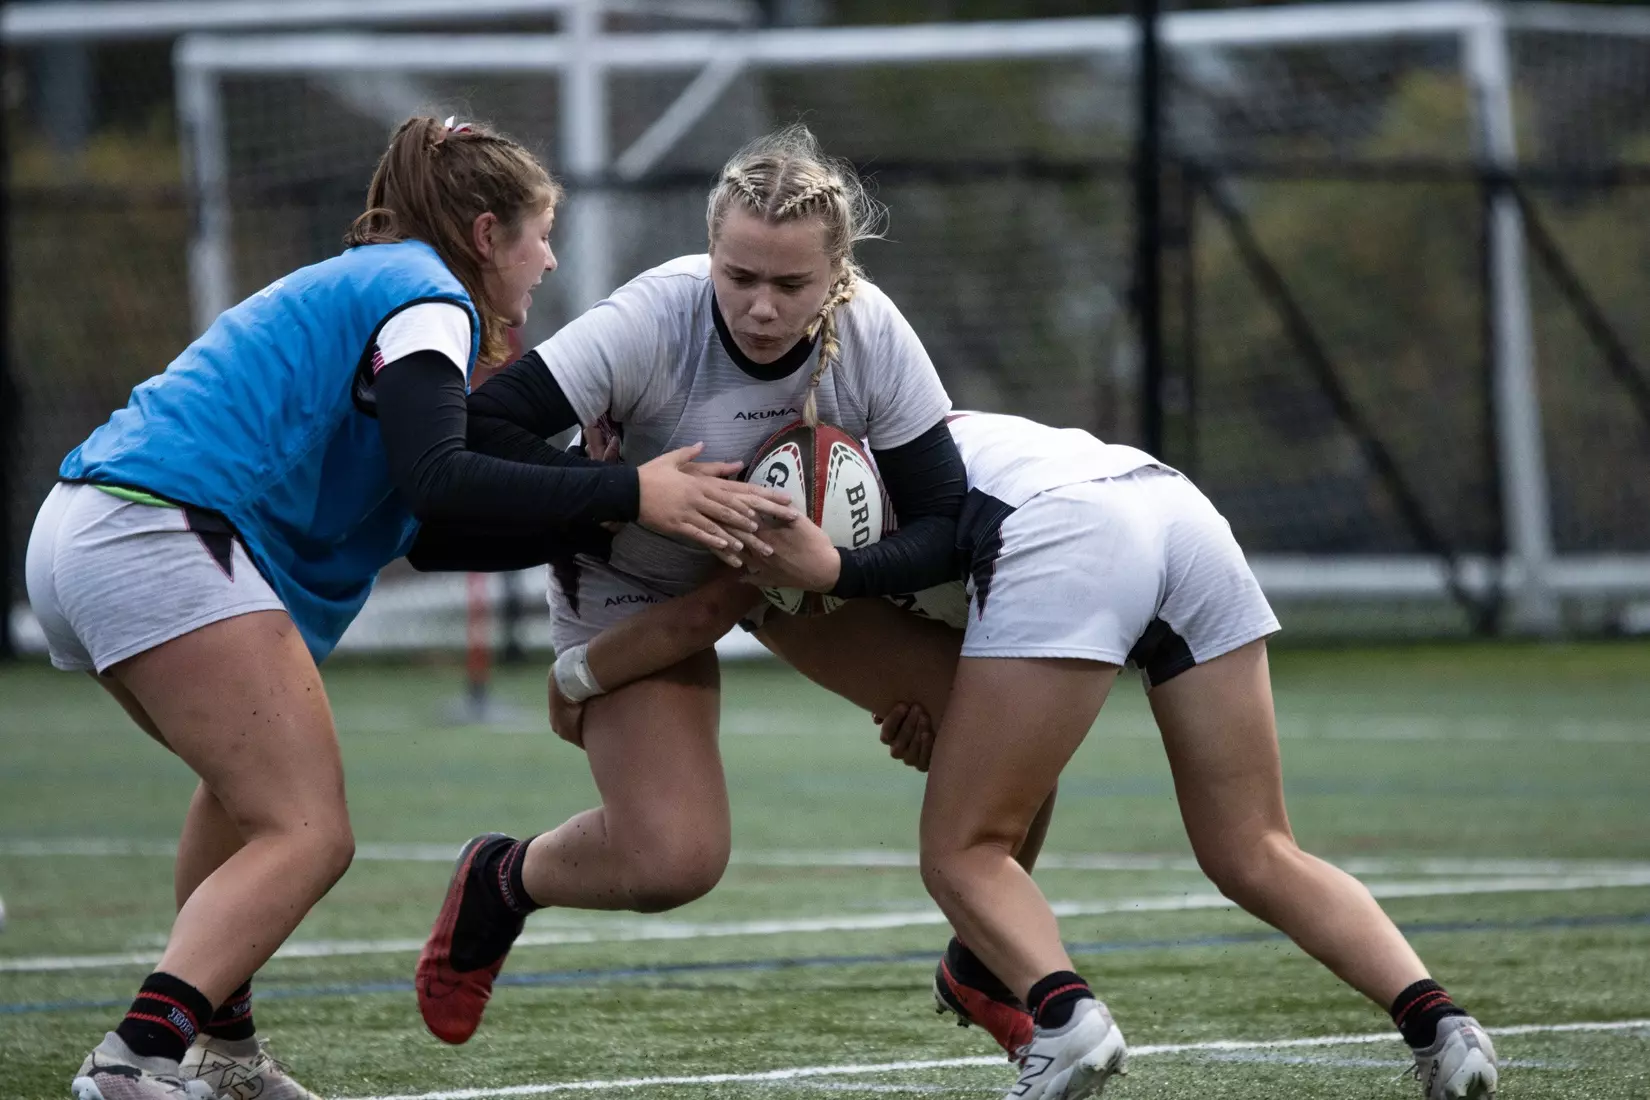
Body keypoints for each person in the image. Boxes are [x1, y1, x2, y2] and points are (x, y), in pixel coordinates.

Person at [27, 115, 790, 1100]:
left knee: (245, 799)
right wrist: (631, 493)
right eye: (539, 234)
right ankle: (138, 1053)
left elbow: (432, 530)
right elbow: (442, 477)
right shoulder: (426, 294)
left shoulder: (384, 297)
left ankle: (221, 1048)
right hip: (155, 529)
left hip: (89, 527)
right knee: (311, 830)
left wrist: (611, 520)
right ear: (485, 235)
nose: (549, 260)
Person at [539, 411, 1502, 1100]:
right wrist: (945, 717)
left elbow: (719, 607)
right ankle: (1441, 1027)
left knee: (962, 850)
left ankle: (1061, 1017)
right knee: (1256, 848)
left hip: (1074, 531)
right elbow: (956, 651)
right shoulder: (900, 432)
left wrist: (574, 679)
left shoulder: (778, 495)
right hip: (1173, 507)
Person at [415, 123, 970, 1046]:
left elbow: (946, 523)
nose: (759, 307)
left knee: (982, 724)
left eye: (790, 285)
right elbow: (470, 433)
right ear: (709, 253)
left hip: (791, 583)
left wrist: (839, 569)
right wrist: (626, 499)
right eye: (737, 276)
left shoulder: (872, 330)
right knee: (675, 861)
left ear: (837, 277)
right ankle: (502, 879)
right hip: (636, 580)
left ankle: (989, 971)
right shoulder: (654, 316)